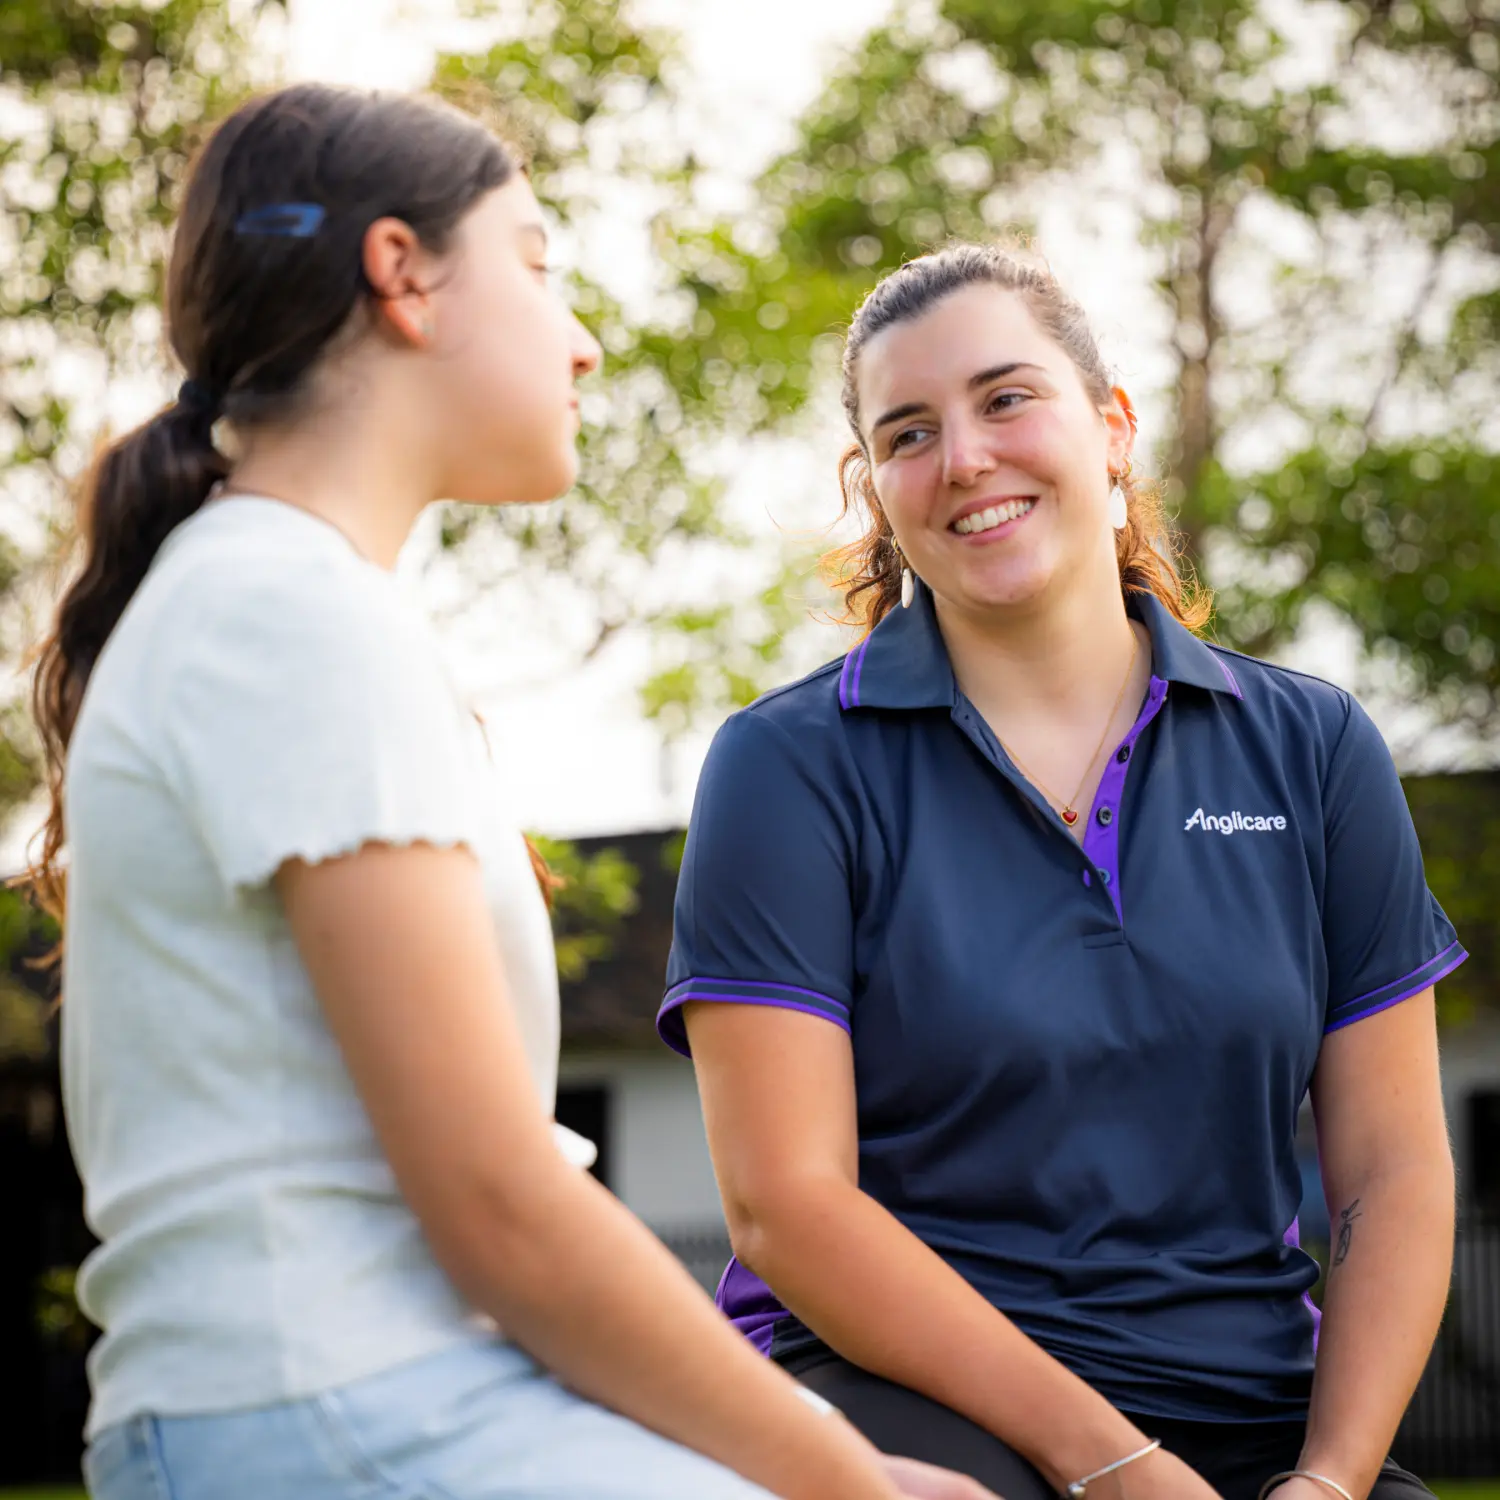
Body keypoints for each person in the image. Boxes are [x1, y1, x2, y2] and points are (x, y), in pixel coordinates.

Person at [33, 84, 995, 1500]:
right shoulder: (283, 616)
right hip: (326, 1419)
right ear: (403, 276)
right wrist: (850, 1483)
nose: (585, 341)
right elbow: (502, 1213)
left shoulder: (278, 603)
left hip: (366, 1409)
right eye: (538, 264)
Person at [659, 243, 1463, 1500]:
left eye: (1006, 397)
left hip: (1252, 1411)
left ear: (1113, 425)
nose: (965, 457)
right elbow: (786, 1206)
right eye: (909, 431)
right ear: (874, 483)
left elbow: (1396, 1169)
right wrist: (1117, 1466)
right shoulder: (787, 768)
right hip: (904, 1402)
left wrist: (1330, 1480)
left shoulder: (1312, 749)